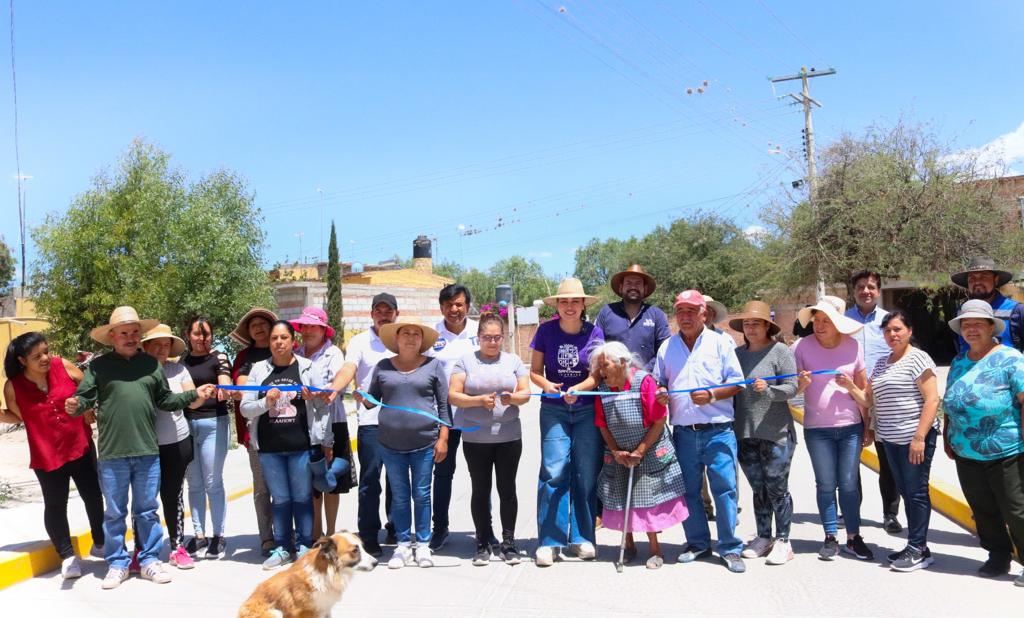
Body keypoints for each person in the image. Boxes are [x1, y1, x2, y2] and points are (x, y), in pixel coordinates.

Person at [65, 306, 214, 589]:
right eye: (124, 333)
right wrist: (76, 405)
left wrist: (194, 394)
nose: (131, 337)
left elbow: (166, 400)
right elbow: (84, 398)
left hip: (147, 450)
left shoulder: (151, 366)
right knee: (115, 512)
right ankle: (118, 563)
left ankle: (148, 561)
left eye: (135, 332)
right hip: (112, 453)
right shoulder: (98, 366)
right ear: (112, 336)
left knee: (147, 510)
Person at [838, 310, 941, 572]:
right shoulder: (882, 363)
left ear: (909, 331)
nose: (892, 335)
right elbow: (868, 400)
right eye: (887, 331)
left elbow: (932, 399)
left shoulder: (919, 359)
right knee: (906, 492)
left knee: (916, 492)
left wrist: (919, 437)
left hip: (913, 439)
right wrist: (850, 387)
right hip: (889, 440)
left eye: (897, 329)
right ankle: (918, 545)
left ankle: (918, 549)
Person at [653, 290, 745, 573]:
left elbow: (738, 383)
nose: (686, 317)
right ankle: (698, 544)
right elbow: (659, 382)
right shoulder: (666, 347)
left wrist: (713, 395)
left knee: (725, 490)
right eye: (681, 311)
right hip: (683, 433)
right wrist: (662, 392)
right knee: (689, 492)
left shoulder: (721, 343)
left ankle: (730, 548)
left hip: (718, 431)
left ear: (704, 313)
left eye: (692, 311)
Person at [1, 332, 105, 580]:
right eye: (37, 356)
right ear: (22, 360)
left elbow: (89, 389)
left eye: (46, 351)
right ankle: (68, 557)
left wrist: (87, 406)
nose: (45, 358)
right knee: (56, 506)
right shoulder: (13, 386)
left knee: (93, 496)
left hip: (80, 445)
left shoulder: (63, 365)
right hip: (47, 454)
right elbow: (20, 416)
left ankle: (100, 543)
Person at [239, 320, 334, 571]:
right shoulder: (259, 371)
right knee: (280, 499)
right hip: (270, 448)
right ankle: (282, 548)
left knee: (302, 497)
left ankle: (304, 547)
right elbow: (245, 408)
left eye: (283, 338)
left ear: (294, 341)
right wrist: (265, 403)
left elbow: (325, 406)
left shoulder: (307, 367)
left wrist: (325, 436)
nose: (278, 343)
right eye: (274, 339)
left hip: (301, 445)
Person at [942, 299, 1024, 586]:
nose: (971, 329)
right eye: (966, 324)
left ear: (992, 327)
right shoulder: (959, 361)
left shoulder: (1011, 358)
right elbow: (950, 400)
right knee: (982, 508)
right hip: (966, 450)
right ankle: (998, 556)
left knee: (1016, 508)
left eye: (978, 323)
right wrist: (947, 434)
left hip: (1007, 449)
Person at [590, 341, 687, 569]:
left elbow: (659, 419)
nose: (602, 373)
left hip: (649, 448)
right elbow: (602, 425)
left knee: (647, 498)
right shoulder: (602, 389)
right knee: (623, 495)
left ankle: (655, 549)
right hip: (620, 451)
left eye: (606, 366)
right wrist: (616, 451)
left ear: (623, 363)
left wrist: (640, 451)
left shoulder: (644, 381)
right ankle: (629, 544)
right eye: (599, 368)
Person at [529, 277, 605, 567]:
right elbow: (535, 371)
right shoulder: (545, 331)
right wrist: (547, 385)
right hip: (553, 410)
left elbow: (597, 375)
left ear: (583, 304)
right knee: (553, 470)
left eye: (575, 301)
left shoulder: (595, 333)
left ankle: (582, 538)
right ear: (557, 305)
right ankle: (550, 541)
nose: (569, 306)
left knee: (585, 473)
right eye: (564, 301)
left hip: (586, 410)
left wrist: (579, 389)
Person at [793, 296, 874, 562]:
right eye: (816, 320)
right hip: (817, 429)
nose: (819, 325)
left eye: (826, 320)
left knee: (849, 484)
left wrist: (867, 426)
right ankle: (830, 536)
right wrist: (801, 385)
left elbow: (863, 392)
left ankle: (853, 537)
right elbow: (791, 389)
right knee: (825, 484)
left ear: (837, 323)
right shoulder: (802, 347)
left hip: (850, 426)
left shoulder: (852, 346)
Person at [448, 312, 531, 566]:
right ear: (478, 337)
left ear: (503, 338)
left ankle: (509, 542)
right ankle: (482, 542)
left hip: (508, 437)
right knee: (480, 490)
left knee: (507, 490)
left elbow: (526, 392)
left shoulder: (513, 360)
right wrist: (477, 401)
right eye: (487, 337)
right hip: (476, 439)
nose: (492, 342)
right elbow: (453, 395)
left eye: (497, 337)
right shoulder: (465, 362)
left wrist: (513, 398)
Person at [367, 318, 450, 569]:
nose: (411, 337)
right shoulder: (383, 366)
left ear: (422, 341)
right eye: (406, 333)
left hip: (425, 442)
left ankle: (423, 544)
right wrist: (363, 397)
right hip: (390, 443)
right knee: (400, 496)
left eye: (416, 334)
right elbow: (371, 400)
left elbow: (444, 406)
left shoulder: (433, 366)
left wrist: (443, 438)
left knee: (422, 495)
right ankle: (403, 544)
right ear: (397, 338)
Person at [326, 293, 398, 558]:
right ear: (371, 315)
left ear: (396, 314)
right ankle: (368, 534)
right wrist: (335, 388)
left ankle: (396, 527)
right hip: (371, 422)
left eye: (388, 310)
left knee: (398, 479)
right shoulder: (359, 342)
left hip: (401, 423)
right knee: (370, 480)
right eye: (378, 311)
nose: (383, 315)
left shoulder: (403, 337)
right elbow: (348, 368)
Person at [729, 301, 799, 565]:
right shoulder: (737, 355)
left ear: (767, 326)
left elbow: (793, 388)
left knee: (777, 488)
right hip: (745, 431)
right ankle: (763, 536)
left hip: (776, 432)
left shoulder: (780, 351)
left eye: (755, 323)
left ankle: (783, 540)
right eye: (746, 323)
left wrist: (770, 390)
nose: (750, 328)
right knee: (758, 488)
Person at [844, 270, 902, 535]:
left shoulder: (889, 321)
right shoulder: (843, 321)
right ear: (853, 291)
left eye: (870, 287)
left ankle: (890, 514)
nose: (865, 291)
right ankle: (851, 510)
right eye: (860, 287)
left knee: (887, 460)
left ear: (878, 291)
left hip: (882, 397)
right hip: (850, 395)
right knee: (849, 458)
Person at [139, 324, 200, 570]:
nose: (162, 349)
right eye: (157, 344)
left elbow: (192, 401)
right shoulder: (136, 372)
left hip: (177, 442)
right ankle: (144, 550)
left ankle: (177, 547)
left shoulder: (179, 370)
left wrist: (202, 393)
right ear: (145, 347)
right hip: (145, 446)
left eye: (166, 345)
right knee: (145, 499)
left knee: (173, 496)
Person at [291, 306, 355, 540]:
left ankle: (330, 532)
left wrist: (316, 393)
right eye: (304, 326)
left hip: (331, 423)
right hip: (302, 424)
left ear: (323, 330)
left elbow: (335, 387)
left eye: (312, 326)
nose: (307, 331)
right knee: (309, 482)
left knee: (330, 480)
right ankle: (314, 532)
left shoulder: (333, 354)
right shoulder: (295, 352)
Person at [426, 283, 479, 552]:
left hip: (476, 415)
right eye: (448, 305)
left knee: (480, 475)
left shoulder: (479, 333)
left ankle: (484, 530)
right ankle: (440, 528)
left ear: (467, 306)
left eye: (459, 304)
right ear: (441, 307)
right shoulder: (431, 335)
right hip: (443, 418)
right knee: (443, 474)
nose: (454, 310)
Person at [180, 316, 233, 559]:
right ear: (188, 335)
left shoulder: (219, 357)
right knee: (195, 483)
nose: (203, 338)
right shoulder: (181, 362)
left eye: (207, 334)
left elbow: (225, 378)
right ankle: (199, 535)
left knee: (213, 481)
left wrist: (223, 388)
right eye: (197, 334)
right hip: (188, 424)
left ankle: (219, 535)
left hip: (214, 422)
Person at [229, 307, 278, 556]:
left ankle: (285, 533)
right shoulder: (244, 357)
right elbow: (240, 390)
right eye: (253, 325)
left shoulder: (282, 352)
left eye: (263, 323)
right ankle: (267, 538)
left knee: (285, 487)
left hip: (285, 428)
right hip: (255, 430)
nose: (258, 328)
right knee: (261, 488)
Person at [594, 264, 670, 372]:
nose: (633, 287)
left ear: (645, 288)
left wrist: (641, 373)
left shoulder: (657, 315)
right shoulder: (606, 312)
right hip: (611, 382)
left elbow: (664, 351)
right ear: (621, 288)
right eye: (628, 283)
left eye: (638, 283)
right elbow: (596, 348)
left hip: (646, 382)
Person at [950, 256, 1024, 352]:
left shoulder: (1017, 311)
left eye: (984, 277)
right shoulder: (961, 312)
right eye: (972, 278)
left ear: (996, 280)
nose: (977, 282)